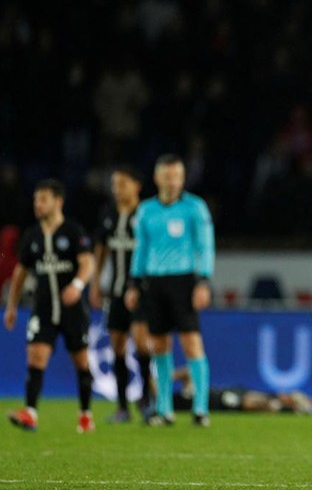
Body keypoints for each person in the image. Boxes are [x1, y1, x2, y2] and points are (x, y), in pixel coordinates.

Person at [126, 154, 215, 427]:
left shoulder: (195, 208)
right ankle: (164, 409)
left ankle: (200, 409)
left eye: (177, 176)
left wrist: (203, 281)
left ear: (183, 178)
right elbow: (141, 249)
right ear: (157, 178)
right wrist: (134, 283)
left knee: (191, 343)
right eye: (168, 176)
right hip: (154, 282)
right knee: (159, 345)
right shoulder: (146, 211)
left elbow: (205, 246)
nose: (173, 181)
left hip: (184, 281)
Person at [4, 179, 97, 433]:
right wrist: (11, 306)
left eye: (43, 199)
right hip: (43, 308)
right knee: (36, 356)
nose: (38, 204)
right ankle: (30, 413)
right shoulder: (32, 236)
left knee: (81, 361)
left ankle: (86, 414)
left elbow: (88, 263)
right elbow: (20, 273)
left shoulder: (73, 231)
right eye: (35, 199)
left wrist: (77, 285)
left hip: (72, 309)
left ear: (58, 202)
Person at [90, 165, 155, 423]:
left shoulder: (146, 214)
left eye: (123, 184)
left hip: (142, 292)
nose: (117, 189)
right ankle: (122, 406)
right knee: (117, 344)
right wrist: (95, 283)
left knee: (141, 343)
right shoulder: (108, 214)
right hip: (116, 291)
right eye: (115, 184)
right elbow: (101, 248)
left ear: (136, 186)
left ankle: (148, 400)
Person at [170, 367, 312, 416]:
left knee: (297, 399)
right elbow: (246, 404)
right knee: (270, 404)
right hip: (226, 400)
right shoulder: (175, 401)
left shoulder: (185, 390)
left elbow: (187, 372)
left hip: (232, 391)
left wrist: (168, 376)